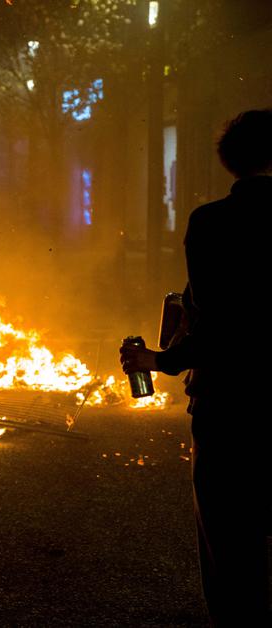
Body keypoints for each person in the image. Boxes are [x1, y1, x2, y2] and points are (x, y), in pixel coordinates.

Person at [120, 109, 272, 626]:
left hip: (231, 407)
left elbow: (220, 323)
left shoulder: (213, 223)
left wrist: (161, 361)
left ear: (229, 161)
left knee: (233, 551)